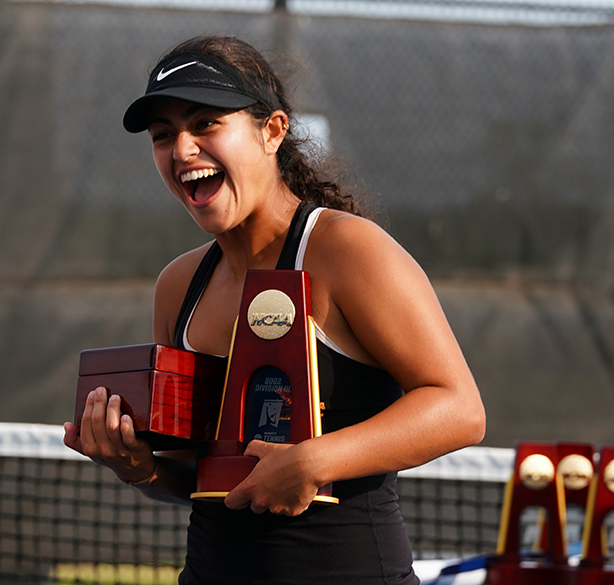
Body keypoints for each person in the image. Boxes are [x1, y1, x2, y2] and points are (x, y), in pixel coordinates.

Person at [63, 35, 486, 584]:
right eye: (164, 135)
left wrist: (315, 462)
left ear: (272, 131)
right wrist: (138, 466)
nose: (183, 149)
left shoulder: (346, 250)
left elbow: (459, 409)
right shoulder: (178, 285)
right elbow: (203, 474)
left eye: (205, 124)